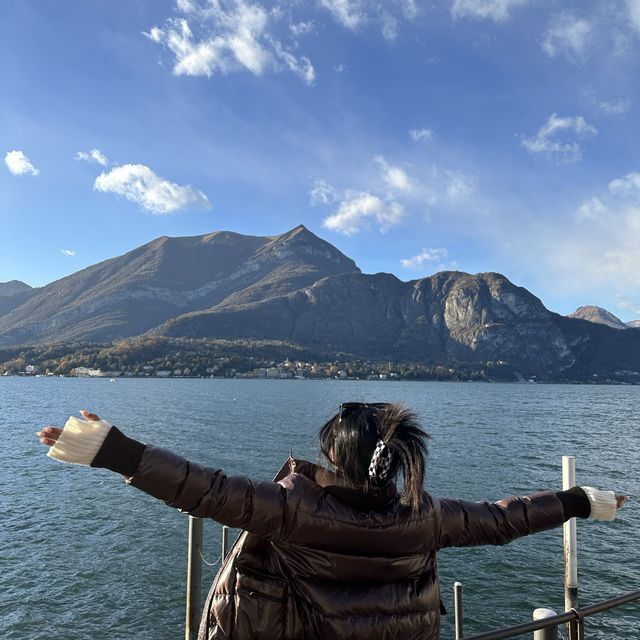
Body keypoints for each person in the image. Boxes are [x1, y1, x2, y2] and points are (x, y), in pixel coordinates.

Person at [37, 403, 627, 640]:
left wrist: (110, 450)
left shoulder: (294, 508)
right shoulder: (428, 516)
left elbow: (204, 490)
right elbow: (507, 519)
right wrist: (580, 500)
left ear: (334, 457)